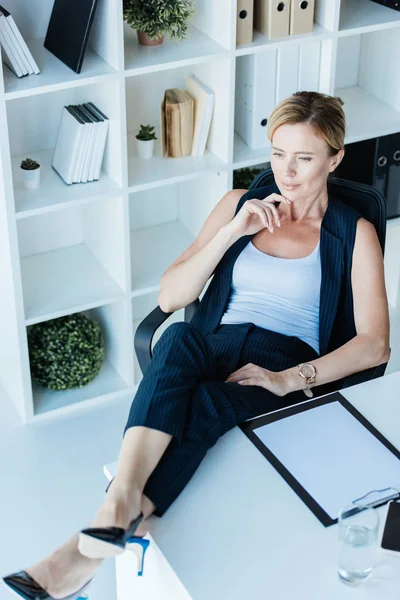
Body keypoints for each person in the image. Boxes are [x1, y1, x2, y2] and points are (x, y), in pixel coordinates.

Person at [3, 91, 390, 600]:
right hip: (211, 340)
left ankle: (90, 542)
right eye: (277, 154)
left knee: (204, 404)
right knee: (180, 334)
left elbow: (375, 344)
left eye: (304, 157)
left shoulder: (353, 232)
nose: (286, 172)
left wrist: (291, 378)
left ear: (335, 158)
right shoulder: (239, 204)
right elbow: (171, 296)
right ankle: (121, 505)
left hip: (281, 362)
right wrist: (233, 231)